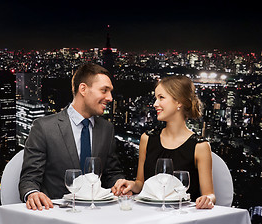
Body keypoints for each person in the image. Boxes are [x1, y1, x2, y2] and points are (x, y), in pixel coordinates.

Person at [19, 63, 125, 211]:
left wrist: (120, 184)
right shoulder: (44, 127)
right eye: (104, 90)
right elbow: (29, 178)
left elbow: (112, 173)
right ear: (83, 89)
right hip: (56, 214)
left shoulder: (107, 129)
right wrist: (33, 193)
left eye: (110, 92)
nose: (110, 98)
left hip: (97, 213)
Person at [112, 75, 216, 209]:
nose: (155, 104)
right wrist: (131, 184)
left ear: (179, 102)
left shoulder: (200, 146)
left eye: (161, 98)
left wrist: (207, 199)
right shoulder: (147, 139)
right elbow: (140, 183)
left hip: (183, 217)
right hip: (148, 213)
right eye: (156, 98)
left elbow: (210, 194)